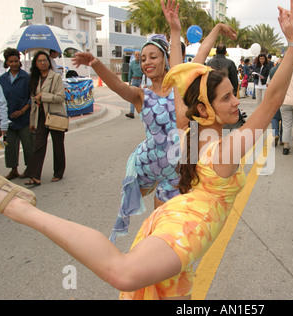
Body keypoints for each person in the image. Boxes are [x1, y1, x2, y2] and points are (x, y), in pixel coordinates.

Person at [0, 0, 293, 300]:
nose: (237, 102)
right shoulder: (225, 149)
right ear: (204, 108)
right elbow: (272, 100)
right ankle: (21, 209)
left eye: (233, 94)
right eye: (226, 98)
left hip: (174, 211)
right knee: (123, 272)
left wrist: (174, 30)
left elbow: (182, 72)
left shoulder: (188, 128)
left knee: (164, 289)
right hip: (189, 225)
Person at [72, 1, 237, 243]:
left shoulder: (182, 88)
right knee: (156, 225)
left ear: (165, 59)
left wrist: (213, 28)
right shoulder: (141, 95)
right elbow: (118, 87)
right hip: (149, 163)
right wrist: (95, 64)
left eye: (153, 57)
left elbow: (200, 54)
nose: (146, 62)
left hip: (178, 170)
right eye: (143, 58)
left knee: (168, 229)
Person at [24, 51, 67, 186]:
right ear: (35, 64)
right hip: (40, 117)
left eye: (45, 60)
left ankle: (58, 172)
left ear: (49, 62)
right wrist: (32, 122)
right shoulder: (34, 79)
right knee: (39, 145)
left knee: (58, 145)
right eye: (40, 61)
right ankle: (35, 176)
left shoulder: (55, 77)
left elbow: (61, 97)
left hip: (54, 116)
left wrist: (43, 96)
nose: (43, 63)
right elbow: (33, 103)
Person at [0, 48, 35, 180]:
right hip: (8, 121)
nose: (14, 63)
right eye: (11, 61)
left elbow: (32, 97)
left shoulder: (26, 77)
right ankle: (13, 170)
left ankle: (30, 170)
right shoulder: (2, 79)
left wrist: (23, 110)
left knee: (28, 145)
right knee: (10, 146)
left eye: (16, 61)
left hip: (24, 119)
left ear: (19, 61)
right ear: (6, 63)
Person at [268, 58, 283, 146]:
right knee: (284, 118)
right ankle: (282, 138)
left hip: (274, 95)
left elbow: (268, 83)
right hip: (285, 96)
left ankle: (275, 134)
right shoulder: (288, 71)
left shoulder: (272, 70)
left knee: (274, 117)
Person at [125, 51, 143, 119]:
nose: (137, 56)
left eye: (139, 55)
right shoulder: (132, 63)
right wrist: (129, 81)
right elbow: (130, 72)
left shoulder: (142, 63)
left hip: (141, 80)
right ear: (134, 55)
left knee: (141, 97)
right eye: (136, 55)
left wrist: (143, 82)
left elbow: (145, 73)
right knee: (133, 97)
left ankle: (144, 113)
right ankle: (131, 113)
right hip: (134, 80)